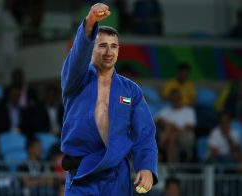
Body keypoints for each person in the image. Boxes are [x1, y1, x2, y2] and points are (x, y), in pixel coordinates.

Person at [60, 3, 158, 195]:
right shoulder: (76, 79)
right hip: (82, 172)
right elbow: (78, 56)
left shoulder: (130, 90)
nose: (108, 52)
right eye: (102, 46)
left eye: (113, 46)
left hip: (116, 175)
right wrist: (89, 23)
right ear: (92, 48)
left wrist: (146, 166)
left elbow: (144, 133)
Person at [156, 88, 196, 163]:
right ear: (170, 99)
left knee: (171, 128)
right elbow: (158, 120)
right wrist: (168, 125)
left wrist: (175, 128)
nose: (175, 100)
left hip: (185, 135)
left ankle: (161, 146)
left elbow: (190, 126)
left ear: (180, 98)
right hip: (170, 135)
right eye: (173, 98)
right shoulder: (166, 110)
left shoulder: (188, 110)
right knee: (172, 135)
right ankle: (171, 165)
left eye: (176, 98)